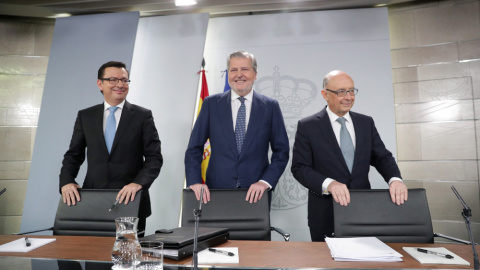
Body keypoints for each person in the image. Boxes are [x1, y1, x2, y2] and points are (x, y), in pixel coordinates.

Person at [291, 70, 408, 242]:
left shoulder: (365, 123)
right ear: (325, 95)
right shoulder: (307, 126)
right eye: (341, 92)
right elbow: (300, 168)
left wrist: (395, 179)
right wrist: (329, 184)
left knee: (362, 267)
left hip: (363, 212)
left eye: (351, 91)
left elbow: (382, 157)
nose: (348, 97)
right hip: (325, 215)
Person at [59, 61, 163, 233]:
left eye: (124, 80)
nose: (120, 85)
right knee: (94, 257)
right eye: (113, 80)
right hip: (93, 201)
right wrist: (67, 181)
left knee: (128, 257)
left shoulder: (142, 116)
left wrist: (138, 183)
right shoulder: (86, 116)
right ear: (100, 83)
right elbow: (73, 155)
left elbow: (154, 158)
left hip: (132, 200)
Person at [185, 51, 289, 204]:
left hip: (256, 195)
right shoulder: (211, 104)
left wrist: (265, 182)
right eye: (233, 70)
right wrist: (194, 181)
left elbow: (281, 151)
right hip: (215, 192)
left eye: (245, 69)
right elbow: (194, 148)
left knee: (254, 230)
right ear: (228, 74)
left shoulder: (270, 106)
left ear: (255, 74)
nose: (239, 74)